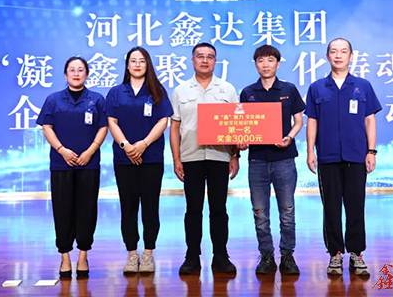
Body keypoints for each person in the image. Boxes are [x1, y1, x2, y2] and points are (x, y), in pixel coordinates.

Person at [305, 38, 382, 276]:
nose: (338, 55)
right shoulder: (317, 87)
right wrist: (310, 151)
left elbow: (369, 120)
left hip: (356, 155)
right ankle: (335, 254)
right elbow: (312, 121)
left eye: (343, 51)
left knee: (355, 206)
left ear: (351, 56)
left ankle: (356, 253)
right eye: (333, 51)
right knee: (331, 208)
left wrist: (371, 151)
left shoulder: (363, 86)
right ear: (327, 56)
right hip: (327, 157)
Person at [170, 42, 240, 275]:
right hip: (191, 156)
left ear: (215, 61)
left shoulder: (227, 89)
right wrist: (176, 158)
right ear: (192, 60)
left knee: (219, 208)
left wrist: (235, 155)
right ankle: (192, 256)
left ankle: (220, 255)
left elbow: (236, 125)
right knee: (193, 209)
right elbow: (175, 127)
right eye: (200, 56)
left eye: (210, 57)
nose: (205, 60)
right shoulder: (181, 90)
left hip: (220, 156)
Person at [37, 56, 108, 278]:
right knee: (62, 209)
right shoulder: (53, 99)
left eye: (80, 70)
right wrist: (62, 150)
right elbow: (47, 127)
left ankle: (83, 255)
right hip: (61, 164)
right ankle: (65, 256)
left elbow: (103, 127)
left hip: (89, 163)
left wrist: (90, 151)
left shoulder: (97, 99)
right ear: (65, 74)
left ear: (87, 74)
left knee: (87, 209)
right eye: (72, 70)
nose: (76, 74)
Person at [238, 45, 305, 275]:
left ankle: (287, 255)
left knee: (287, 210)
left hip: (284, 158)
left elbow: (298, 121)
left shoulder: (289, 89)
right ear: (255, 64)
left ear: (278, 63)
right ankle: (266, 255)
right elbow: (242, 125)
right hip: (257, 159)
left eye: (270, 60)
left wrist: (289, 137)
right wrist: (241, 141)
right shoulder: (248, 92)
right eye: (261, 60)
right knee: (259, 212)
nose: (265, 64)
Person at [106, 47, 173, 273]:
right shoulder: (116, 92)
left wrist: (143, 144)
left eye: (141, 61)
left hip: (151, 158)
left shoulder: (157, 91)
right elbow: (111, 121)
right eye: (133, 61)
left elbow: (163, 121)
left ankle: (148, 254)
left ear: (148, 65)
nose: (137, 65)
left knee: (150, 207)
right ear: (127, 65)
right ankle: (132, 253)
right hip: (124, 159)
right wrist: (126, 146)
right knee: (128, 207)